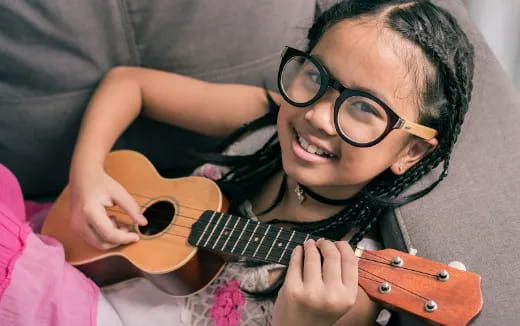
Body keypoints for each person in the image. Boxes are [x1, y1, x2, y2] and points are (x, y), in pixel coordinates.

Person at [0, 0, 475, 325]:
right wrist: (86, 173)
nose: (315, 116)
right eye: (316, 76)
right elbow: (130, 84)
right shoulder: (266, 119)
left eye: (363, 108)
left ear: (410, 150)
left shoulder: (346, 288)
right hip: (75, 258)